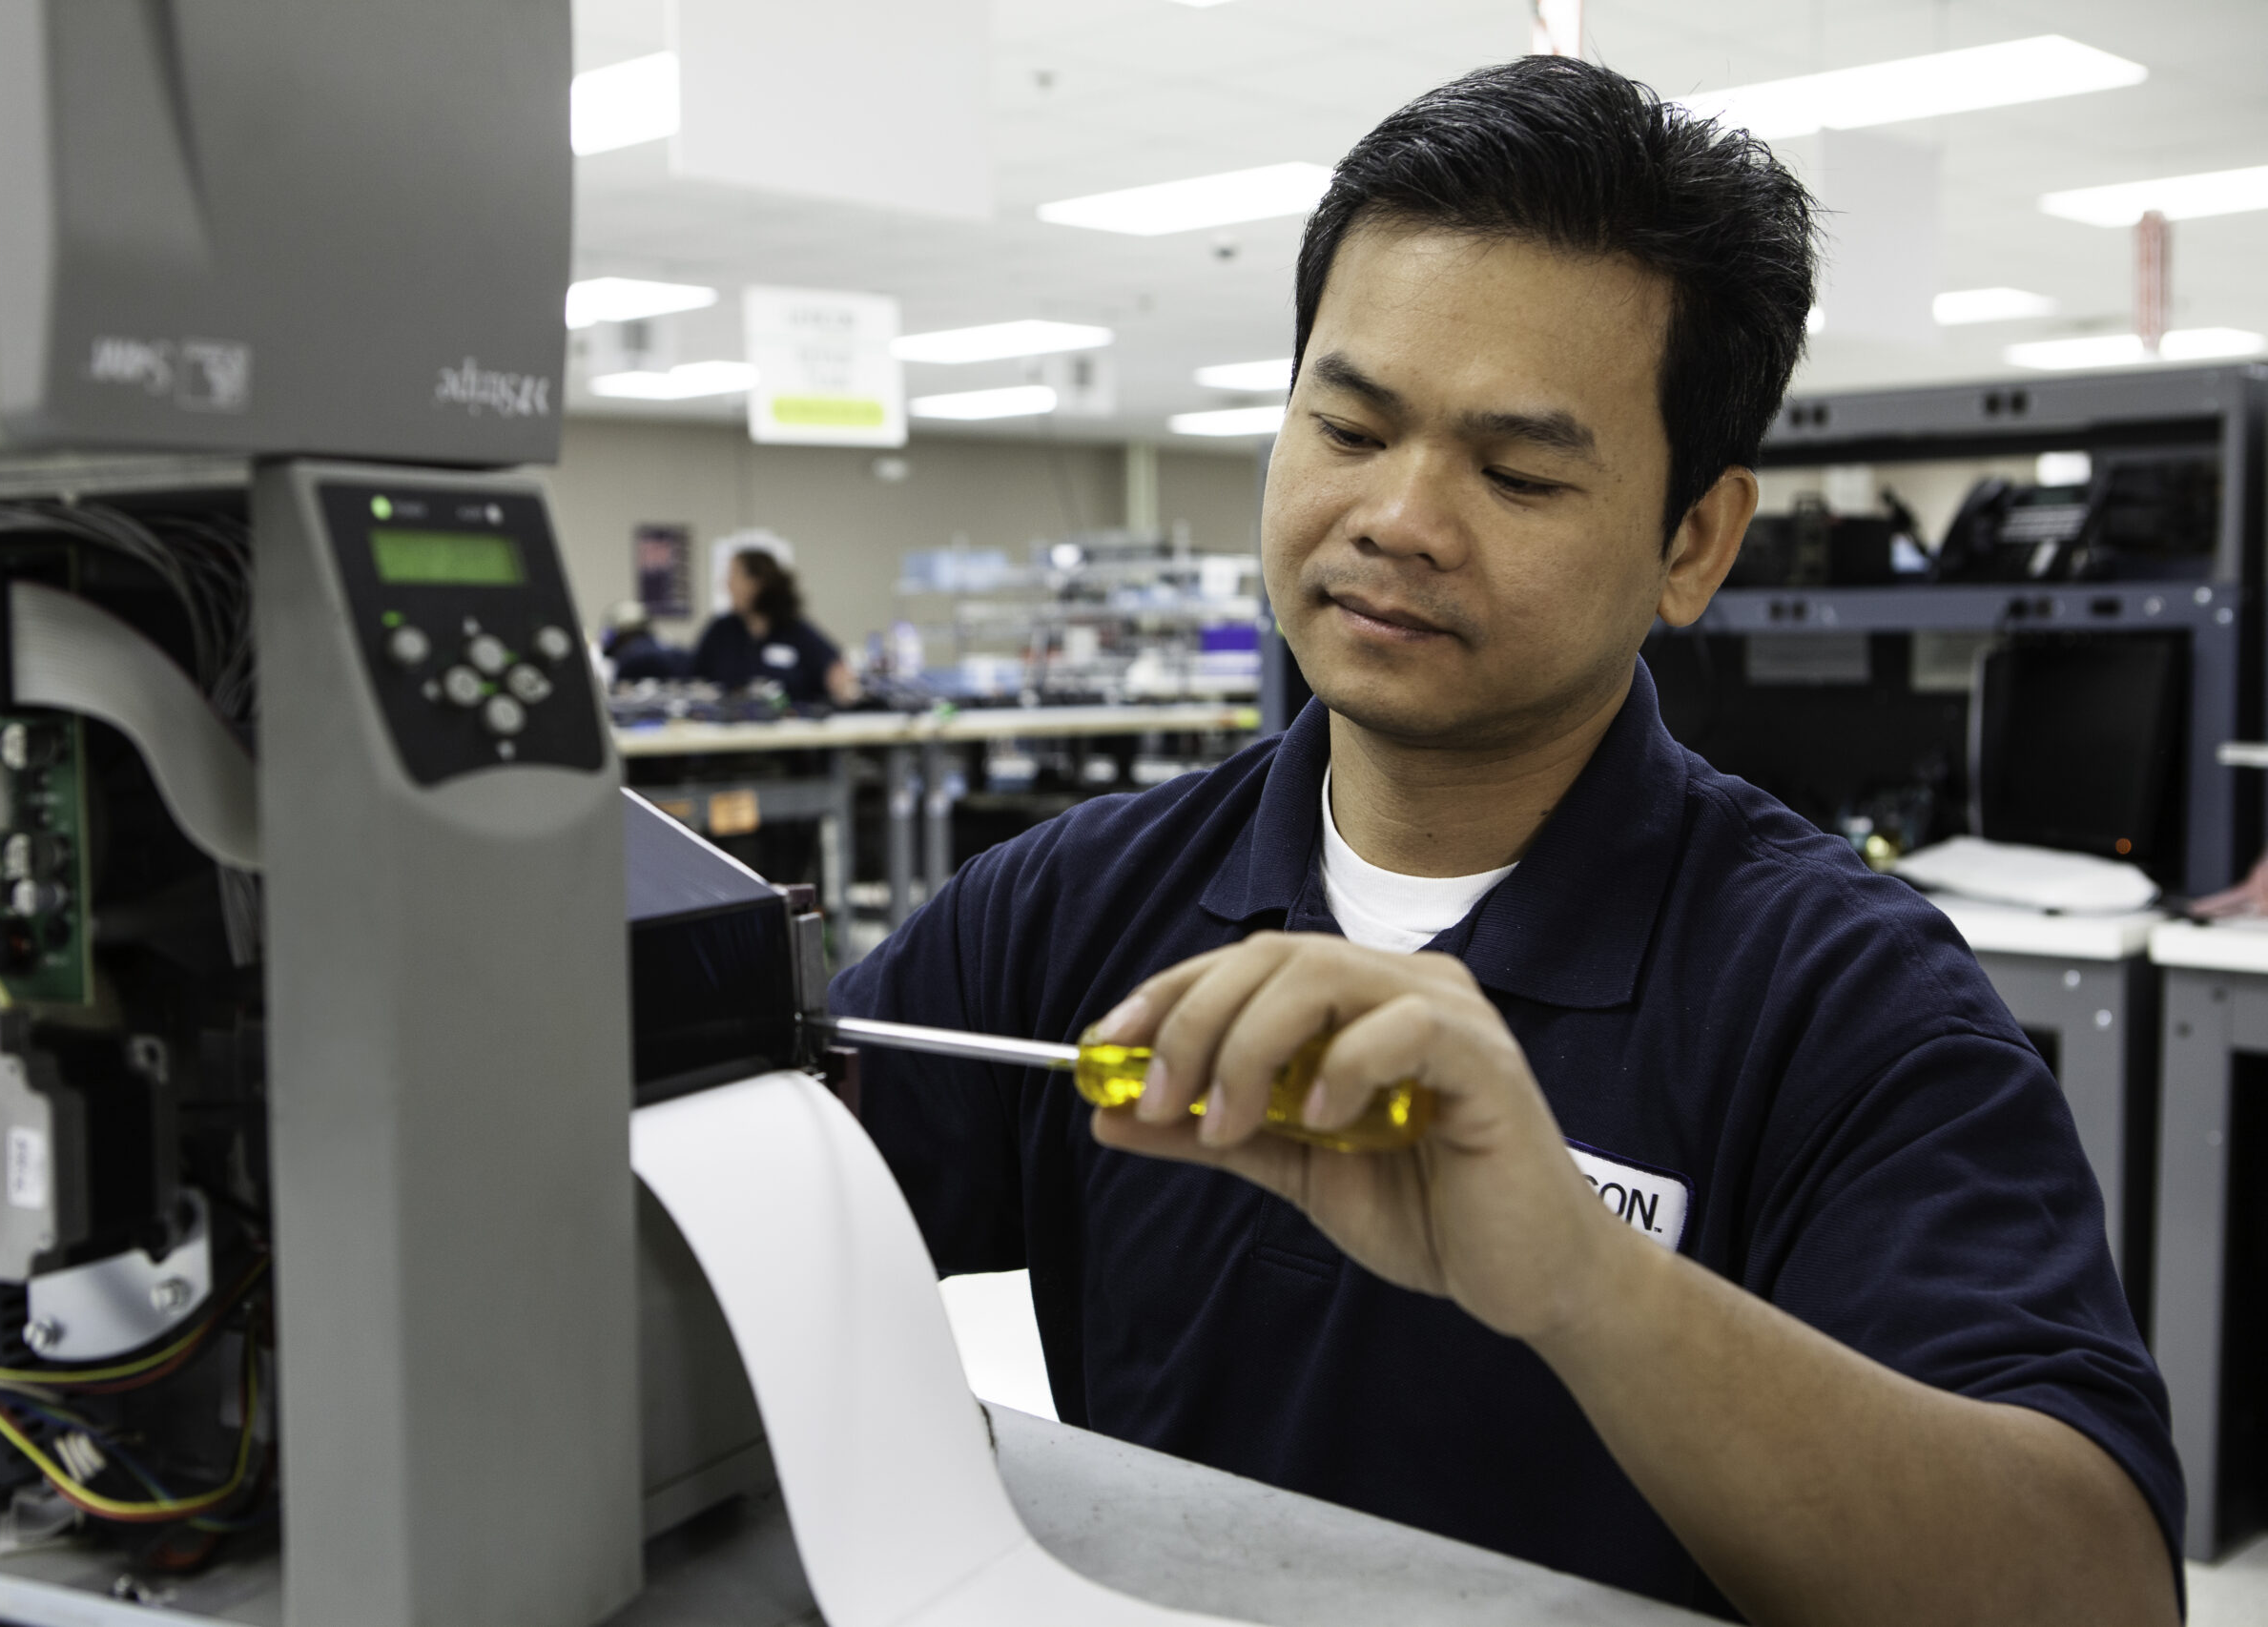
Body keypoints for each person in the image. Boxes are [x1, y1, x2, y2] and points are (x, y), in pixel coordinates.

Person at [830, 58, 2179, 1625]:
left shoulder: (1838, 997)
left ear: (1695, 542)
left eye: (1519, 470)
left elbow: (2096, 1594)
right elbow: (727, 1235)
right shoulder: (1064, 906)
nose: (1399, 516)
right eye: (1347, 425)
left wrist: (1582, 1280)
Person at [691, 547, 861, 708]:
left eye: (734, 575)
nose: (727, 584)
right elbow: (693, 677)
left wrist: (843, 685)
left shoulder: (795, 630)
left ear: (757, 583)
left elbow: (835, 670)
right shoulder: (720, 631)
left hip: (790, 731)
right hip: (728, 730)